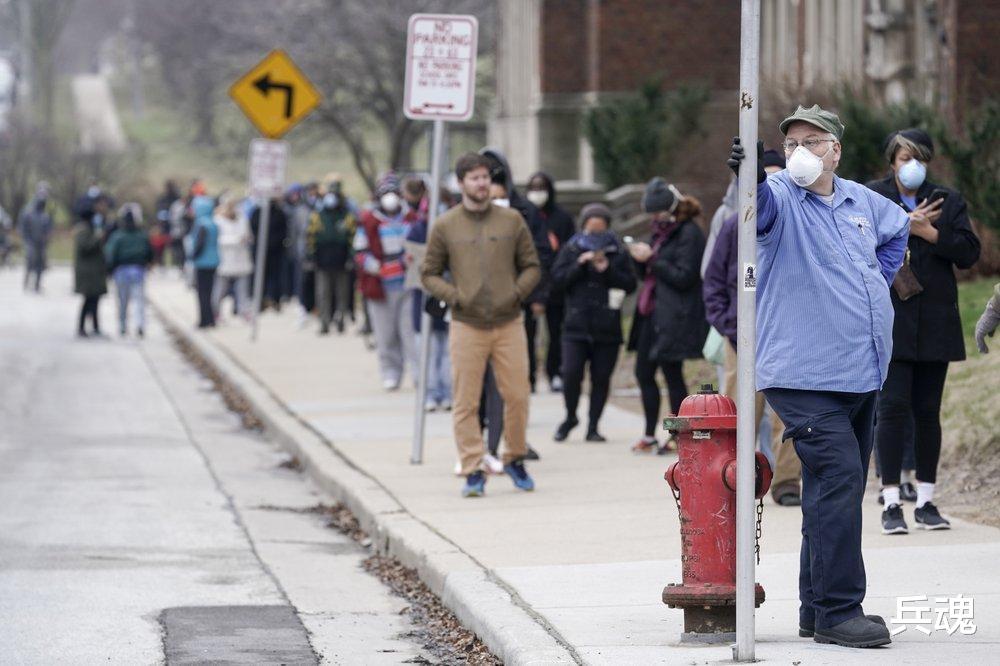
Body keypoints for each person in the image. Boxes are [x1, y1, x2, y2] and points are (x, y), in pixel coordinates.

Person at [728, 104, 908, 648]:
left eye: (811, 141)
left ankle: (814, 607)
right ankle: (838, 610)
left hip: (860, 370)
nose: (799, 152)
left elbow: (898, 232)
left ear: (836, 149)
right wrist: (751, 178)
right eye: (790, 145)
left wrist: (877, 278)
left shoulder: (862, 201)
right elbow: (756, 214)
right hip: (802, 375)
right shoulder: (781, 195)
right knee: (841, 478)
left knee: (828, 490)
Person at [866, 129, 981, 534]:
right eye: (902, 158)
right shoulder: (874, 196)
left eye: (917, 158)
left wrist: (931, 234)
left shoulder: (947, 199)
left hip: (936, 322)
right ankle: (891, 500)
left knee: (928, 412)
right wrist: (903, 227)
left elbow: (970, 252)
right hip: (890, 321)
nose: (910, 165)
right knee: (892, 410)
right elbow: (856, 244)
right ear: (891, 161)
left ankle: (928, 500)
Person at [422, 153, 541, 497]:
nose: (481, 183)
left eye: (485, 177)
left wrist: (515, 293)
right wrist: (455, 295)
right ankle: (473, 468)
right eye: (474, 178)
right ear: (460, 184)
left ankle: (515, 458)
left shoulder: (512, 220)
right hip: (466, 323)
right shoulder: (446, 225)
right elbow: (428, 272)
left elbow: (532, 265)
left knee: (517, 395)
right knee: (466, 400)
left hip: (508, 322)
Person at [703, 149, 803, 506]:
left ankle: (788, 480)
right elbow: (713, 283)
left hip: (787, 336)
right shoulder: (733, 226)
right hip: (742, 338)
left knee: (788, 413)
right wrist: (732, 327)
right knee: (740, 412)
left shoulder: (797, 224)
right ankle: (734, 477)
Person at [627, 179, 707, 454]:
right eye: (651, 213)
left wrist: (651, 258)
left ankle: (679, 435)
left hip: (676, 315)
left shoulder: (689, 233)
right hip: (651, 313)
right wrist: (639, 260)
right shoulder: (660, 232)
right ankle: (649, 434)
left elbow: (685, 277)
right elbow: (649, 274)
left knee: (673, 374)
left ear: (671, 207)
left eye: (658, 212)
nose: (655, 217)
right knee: (643, 372)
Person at [550, 203, 636, 442]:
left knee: (601, 377)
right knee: (571, 373)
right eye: (591, 229)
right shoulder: (571, 248)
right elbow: (557, 281)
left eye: (600, 229)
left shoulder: (617, 251)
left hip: (607, 326)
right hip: (575, 325)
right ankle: (570, 416)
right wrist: (579, 264)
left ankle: (593, 425)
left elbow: (629, 284)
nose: (596, 235)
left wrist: (606, 269)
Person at [480, 149, 554, 394]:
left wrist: (537, 295)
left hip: (519, 295)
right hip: (481, 299)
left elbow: (541, 255)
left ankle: (523, 391)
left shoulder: (525, 211)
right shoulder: (467, 214)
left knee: (521, 351)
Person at [354, 172, 417, 389]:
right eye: (385, 193)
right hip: (381, 287)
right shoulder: (369, 220)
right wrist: (375, 267)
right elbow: (360, 252)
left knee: (410, 332)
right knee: (386, 334)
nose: (390, 197)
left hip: (407, 284)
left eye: (393, 193)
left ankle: (418, 372)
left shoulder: (410, 217)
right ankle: (390, 372)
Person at [526, 172, 576, 392]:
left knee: (556, 333)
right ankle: (529, 376)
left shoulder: (562, 219)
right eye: (533, 187)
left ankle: (554, 371)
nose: (538, 192)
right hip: (529, 284)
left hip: (556, 284)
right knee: (528, 334)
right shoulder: (524, 216)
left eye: (542, 187)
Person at [406, 196, 452, 412]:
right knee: (428, 349)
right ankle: (431, 393)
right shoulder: (417, 231)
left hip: (448, 297)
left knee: (447, 350)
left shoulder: (454, 230)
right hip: (424, 299)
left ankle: (448, 392)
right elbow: (408, 260)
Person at [308, 186, 355, 334]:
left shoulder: (347, 216)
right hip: (322, 262)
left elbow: (353, 239)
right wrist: (311, 257)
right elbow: (310, 238)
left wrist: (351, 258)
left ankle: (340, 319)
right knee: (323, 293)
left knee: (342, 293)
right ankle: (324, 322)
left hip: (342, 261)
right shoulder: (317, 216)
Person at [104, 203, 153, 337]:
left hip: (121, 271)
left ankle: (123, 325)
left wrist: (109, 270)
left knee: (123, 301)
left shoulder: (117, 236)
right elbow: (149, 251)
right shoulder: (142, 235)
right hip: (138, 270)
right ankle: (140, 324)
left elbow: (111, 254)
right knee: (139, 300)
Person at [212, 196, 254, 321]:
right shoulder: (218, 220)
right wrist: (236, 240)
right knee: (220, 289)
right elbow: (218, 240)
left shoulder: (242, 219)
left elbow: (248, 235)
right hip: (225, 259)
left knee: (242, 289)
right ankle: (216, 312)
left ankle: (244, 311)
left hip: (241, 259)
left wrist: (247, 239)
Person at [73, 205, 107, 338]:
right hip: (88, 274)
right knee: (88, 301)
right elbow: (86, 247)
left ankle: (95, 327)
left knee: (95, 301)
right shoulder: (82, 231)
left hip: (94, 272)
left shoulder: (89, 229)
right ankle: (82, 328)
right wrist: (98, 238)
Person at [250, 198, 289, 311]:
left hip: (274, 251)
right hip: (264, 250)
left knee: (273, 277)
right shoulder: (258, 212)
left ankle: (273, 300)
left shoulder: (279, 213)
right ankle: (262, 301)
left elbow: (284, 231)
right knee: (264, 276)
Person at [188, 195, 220, 328]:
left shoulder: (201, 224)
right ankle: (211, 319)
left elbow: (199, 244)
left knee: (202, 293)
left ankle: (204, 320)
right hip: (214, 261)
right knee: (210, 291)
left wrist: (192, 256)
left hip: (202, 262)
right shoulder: (213, 222)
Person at [18, 182, 54, 293]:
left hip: (41, 243)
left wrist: (47, 237)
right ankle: (26, 282)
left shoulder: (46, 214)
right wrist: (27, 239)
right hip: (30, 242)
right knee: (30, 262)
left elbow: (49, 228)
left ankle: (37, 285)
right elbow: (22, 227)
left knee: (40, 265)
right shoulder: (28, 211)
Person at [975, 283, 1000, 353]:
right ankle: (984, 351)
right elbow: (997, 288)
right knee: (979, 334)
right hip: (993, 312)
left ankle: (991, 329)